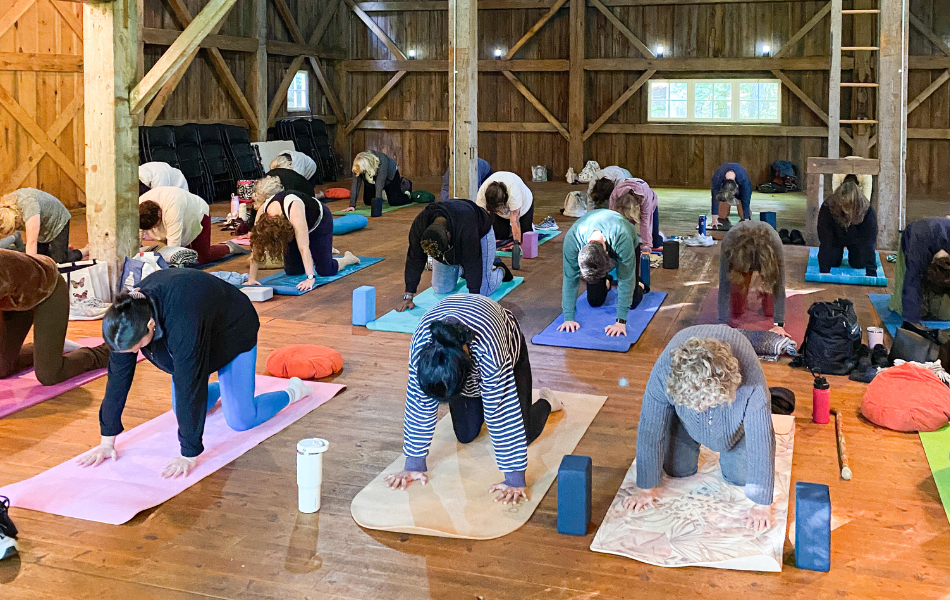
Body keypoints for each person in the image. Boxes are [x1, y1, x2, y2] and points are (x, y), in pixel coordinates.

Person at [77, 269, 313, 478]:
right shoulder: (124, 324)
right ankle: (227, 386)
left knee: (241, 420)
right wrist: (107, 440)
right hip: (199, 324)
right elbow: (117, 380)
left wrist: (189, 453)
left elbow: (189, 382)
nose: (134, 353)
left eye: (137, 347)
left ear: (150, 325)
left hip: (232, 329)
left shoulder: (181, 320)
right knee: (181, 407)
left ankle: (294, 391)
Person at [385, 294, 562, 504]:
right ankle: (477, 402)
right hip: (460, 358)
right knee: (466, 435)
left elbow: (502, 411)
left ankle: (548, 402)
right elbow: (418, 402)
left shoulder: (490, 350)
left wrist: (514, 480)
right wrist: (413, 465)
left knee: (524, 434)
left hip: (507, 345)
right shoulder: (421, 348)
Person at [624, 325, 776, 531]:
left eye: (704, 403)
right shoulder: (663, 372)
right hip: (685, 418)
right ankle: (687, 422)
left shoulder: (753, 385)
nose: (701, 409)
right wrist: (645, 487)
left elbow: (762, 439)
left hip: (731, 413)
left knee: (740, 478)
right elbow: (650, 429)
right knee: (676, 470)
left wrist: (762, 504)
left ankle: (726, 431)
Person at [0, 249, 110, 384]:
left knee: (50, 375)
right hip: (15, 296)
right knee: (2, 368)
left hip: (48, 290)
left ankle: (106, 352)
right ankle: (50, 348)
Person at [247, 176, 359, 292]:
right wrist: (252, 279)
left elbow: (304, 247)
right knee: (293, 270)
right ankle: (318, 255)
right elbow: (256, 247)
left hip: (318, 223)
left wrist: (310, 278)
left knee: (326, 270)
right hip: (290, 226)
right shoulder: (262, 213)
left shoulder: (294, 208)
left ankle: (348, 258)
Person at [398, 198, 511, 312]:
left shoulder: (466, 226)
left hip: (481, 232)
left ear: (448, 235)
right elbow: (414, 259)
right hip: (452, 238)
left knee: (484, 291)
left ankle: (500, 269)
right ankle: (461, 269)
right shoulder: (419, 226)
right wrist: (408, 296)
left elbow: (472, 261)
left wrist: (474, 300)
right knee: (441, 288)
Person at [558, 209, 645, 337]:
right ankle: (607, 282)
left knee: (632, 302)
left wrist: (620, 321)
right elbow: (570, 278)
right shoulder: (572, 240)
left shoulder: (622, 237)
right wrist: (568, 318)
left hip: (627, 239)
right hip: (597, 242)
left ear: (608, 258)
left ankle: (641, 284)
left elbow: (625, 279)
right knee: (595, 300)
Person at [139, 187, 245, 265]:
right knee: (186, 255)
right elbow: (134, 237)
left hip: (197, 213)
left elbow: (173, 247)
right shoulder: (138, 206)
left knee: (203, 257)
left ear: (159, 213)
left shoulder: (172, 209)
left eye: (155, 226)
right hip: (178, 212)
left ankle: (229, 248)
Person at [718, 220, 788, 337]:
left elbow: (779, 283)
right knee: (737, 310)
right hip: (739, 259)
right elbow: (724, 283)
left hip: (766, 257)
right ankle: (741, 297)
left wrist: (779, 323)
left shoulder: (774, 242)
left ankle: (765, 299)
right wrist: (722, 322)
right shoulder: (729, 242)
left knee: (769, 311)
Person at [889, 218, 950, 325]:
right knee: (914, 301)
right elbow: (911, 280)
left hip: (937, 238)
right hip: (918, 239)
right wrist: (911, 324)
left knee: (944, 314)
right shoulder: (918, 241)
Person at [0, 188, 85, 263]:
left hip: (56, 220)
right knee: (40, 255)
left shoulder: (30, 209)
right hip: (41, 224)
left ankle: (85, 251)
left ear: (15, 219)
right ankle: (64, 248)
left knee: (59, 261)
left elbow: (32, 241)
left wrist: (31, 269)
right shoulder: (3, 211)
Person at [817, 176, 878, 276]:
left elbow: (869, 241)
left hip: (857, 239)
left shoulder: (866, 210)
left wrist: (871, 272)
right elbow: (825, 238)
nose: (847, 210)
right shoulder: (828, 207)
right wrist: (824, 270)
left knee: (859, 263)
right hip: (835, 238)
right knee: (833, 262)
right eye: (844, 205)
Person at [476, 171, 534, 244]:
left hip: (524, 207)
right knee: (500, 236)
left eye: (499, 209)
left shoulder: (513, 193)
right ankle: (507, 229)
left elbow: (514, 221)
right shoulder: (482, 194)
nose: (499, 212)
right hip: (502, 213)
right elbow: (481, 218)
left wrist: (517, 244)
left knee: (526, 238)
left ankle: (530, 226)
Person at [344, 150, 411, 212]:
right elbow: (355, 184)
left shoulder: (382, 162)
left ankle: (405, 187)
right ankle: (384, 195)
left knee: (395, 201)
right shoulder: (358, 164)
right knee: (368, 201)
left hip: (389, 177)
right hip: (371, 177)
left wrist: (377, 206)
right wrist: (352, 205)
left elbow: (380, 183)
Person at [609, 178, 660, 252]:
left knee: (654, 237)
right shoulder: (615, 195)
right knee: (627, 231)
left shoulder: (645, 197)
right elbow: (612, 219)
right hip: (626, 203)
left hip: (649, 203)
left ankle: (657, 242)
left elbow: (645, 222)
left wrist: (647, 245)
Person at [710, 163, 753, 229]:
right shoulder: (717, 178)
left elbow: (746, 200)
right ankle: (726, 198)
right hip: (724, 192)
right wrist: (714, 220)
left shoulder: (743, 180)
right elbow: (715, 197)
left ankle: (746, 214)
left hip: (740, 192)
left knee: (743, 216)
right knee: (722, 215)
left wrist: (747, 220)